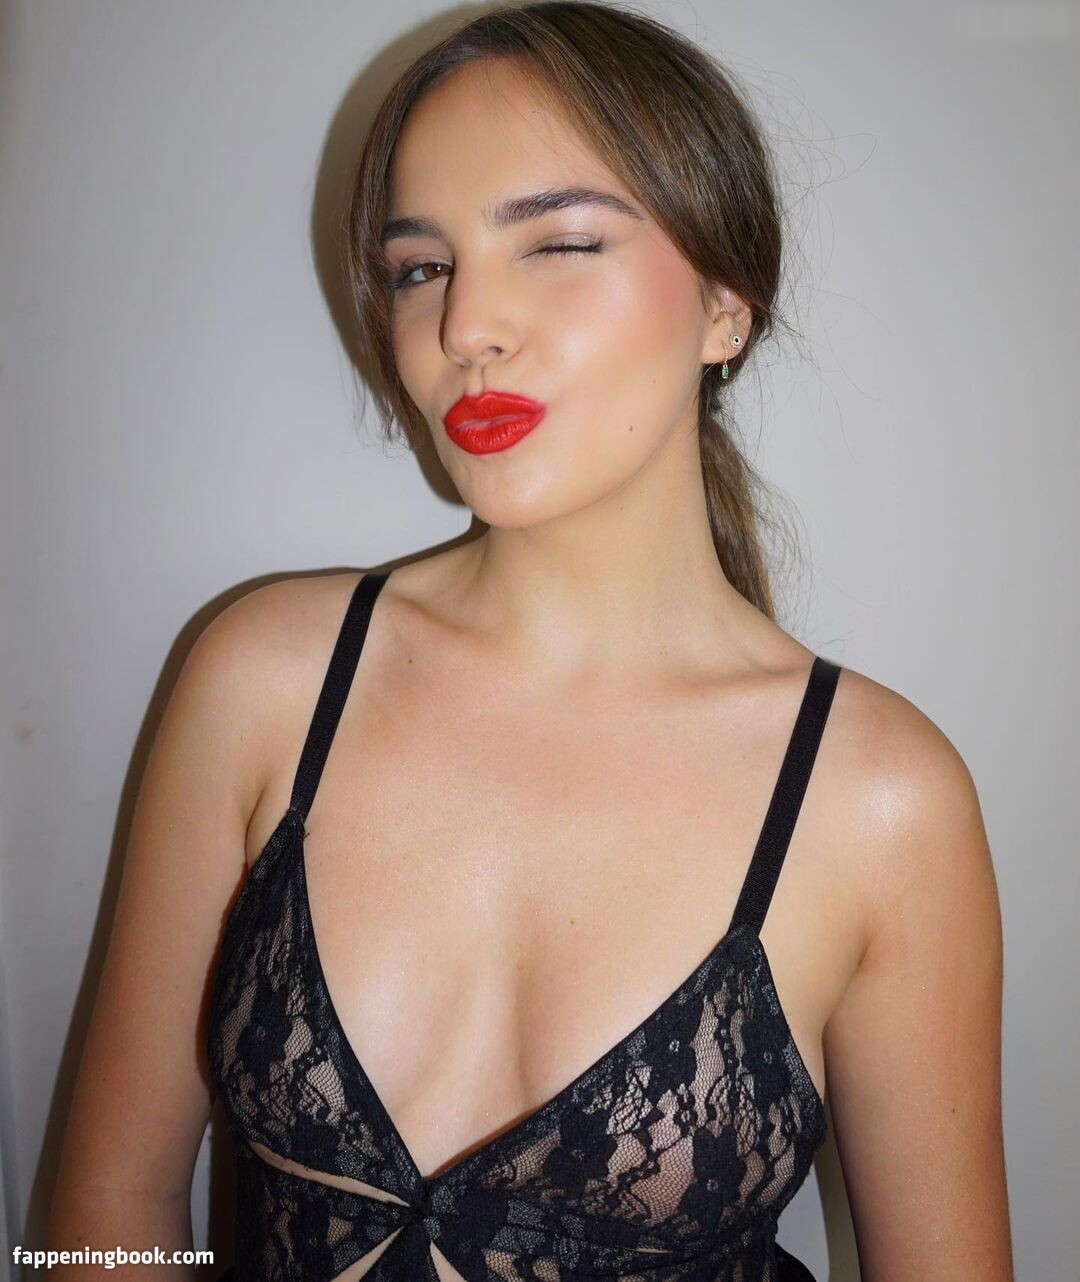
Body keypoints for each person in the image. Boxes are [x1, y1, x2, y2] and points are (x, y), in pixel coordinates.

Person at [47, 3, 1012, 1279]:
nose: (466, 328)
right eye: (420, 268)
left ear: (726, 305)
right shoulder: (264, 679)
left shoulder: (879, 803)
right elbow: (107, 1199)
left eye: (556, 243)